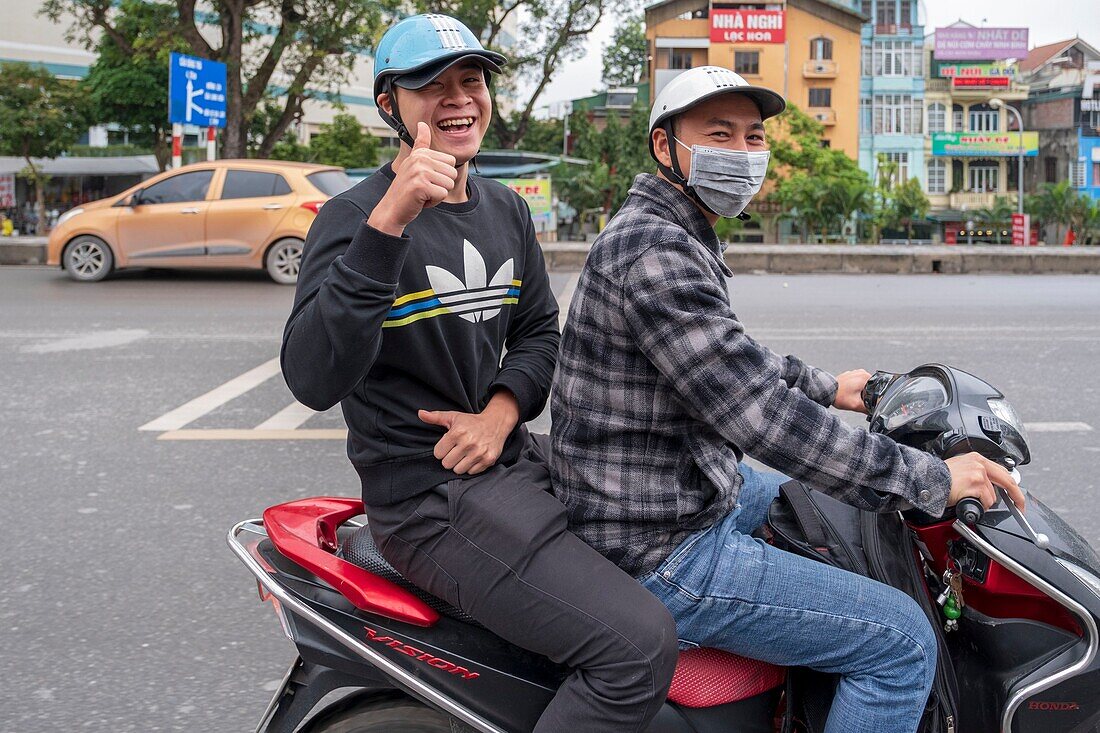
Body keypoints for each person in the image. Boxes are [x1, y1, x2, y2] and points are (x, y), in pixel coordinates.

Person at [550, 65, 1026, 733]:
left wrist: (831, 386)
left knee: (820, 507)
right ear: (666, 147)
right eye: (719, 135)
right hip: (659, 547)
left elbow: (730, 357)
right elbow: (765, 419)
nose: (742, 155)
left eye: (752, 137)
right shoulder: (657, 252)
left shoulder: (673, 229)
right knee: (901, 641)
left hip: (667, 488)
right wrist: (929, 480)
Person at [280, 14, 677, 732]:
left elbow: (537, 333)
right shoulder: (352, 218)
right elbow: (311, 376)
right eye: (430, 84)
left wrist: (500, 410)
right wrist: (389, 224)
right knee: (638, 648)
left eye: (471, 79)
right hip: (426, 501)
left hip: (509, 465)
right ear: (388, 105)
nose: (458, 97)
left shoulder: (502, 209)